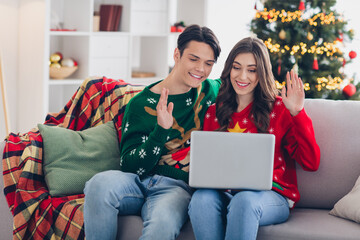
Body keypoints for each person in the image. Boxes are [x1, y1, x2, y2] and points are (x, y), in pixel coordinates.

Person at [83, 24, 221, 240]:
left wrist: (292, 106)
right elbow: (128, 166)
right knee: (98, 184)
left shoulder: (210, 91)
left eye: (208, 63)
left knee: (162, 223)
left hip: (176, 189)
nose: (200, 69)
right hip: (136, 182)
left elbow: (248, 84)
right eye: (193, 59)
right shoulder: (140, 104)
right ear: (177, 54)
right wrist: (160, 131)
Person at [188, 37, 320, 240]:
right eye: (236, 67)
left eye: (252, 70)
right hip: (225, 193)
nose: (242, 76)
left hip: (273, 196)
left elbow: (311, 163)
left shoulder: (279, 109)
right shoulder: (213, 112)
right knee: (201, 199)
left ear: (262, 73)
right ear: (228, 69)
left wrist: (297, 113)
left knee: (244, 201)